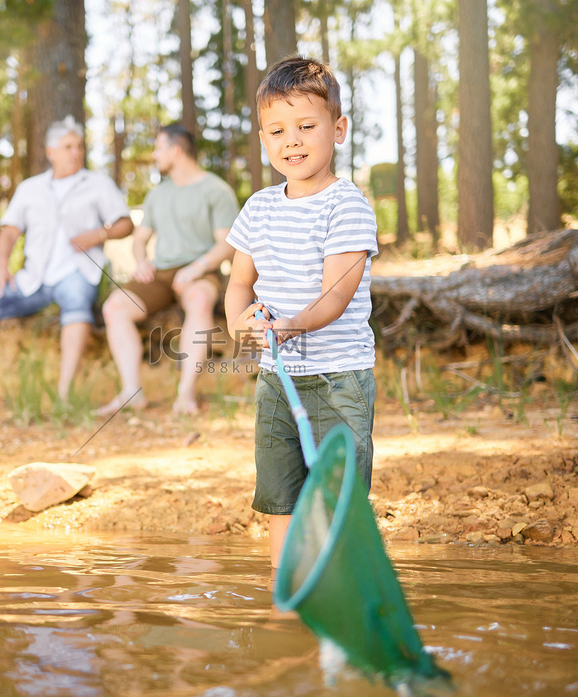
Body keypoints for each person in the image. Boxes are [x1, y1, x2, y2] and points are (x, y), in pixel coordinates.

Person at [224, 56, 378, 569]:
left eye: (306, 126)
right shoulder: (259, 207)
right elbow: (239, 283)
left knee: (338, 495)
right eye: (277, 131)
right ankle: (283, 593)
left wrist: (289, 324)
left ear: (337, 130)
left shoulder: (347, 206)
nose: (292, 140)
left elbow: (335, 295)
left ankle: (344, 584)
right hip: (277, 380)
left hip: (338, 380)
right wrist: (237, 321)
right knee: (281, 496)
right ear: (264, 140)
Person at [0, 116, 133, 410]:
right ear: (51, 152)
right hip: (33, 277)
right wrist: (0, 267)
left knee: (76, 304)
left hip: (77, 273)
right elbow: (9, 231)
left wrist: (99, 234)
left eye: (79, 146)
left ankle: (63, 395)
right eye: (68, 146)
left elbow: (126, 224)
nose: (76, 152)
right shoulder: (30, 188)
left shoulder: (98, 184)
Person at [97, 123, 240, 416]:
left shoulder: (216, 190)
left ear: (176, 150)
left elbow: (226, 244)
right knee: (114, 308)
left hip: (200, 272)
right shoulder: (157, 194)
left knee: (199, 301)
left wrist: (195, 268)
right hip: (160, 275)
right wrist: (141, 262)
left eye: (159, 148)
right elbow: (140, 239)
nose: (154, 154)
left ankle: (185, 393)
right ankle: (131, 393)